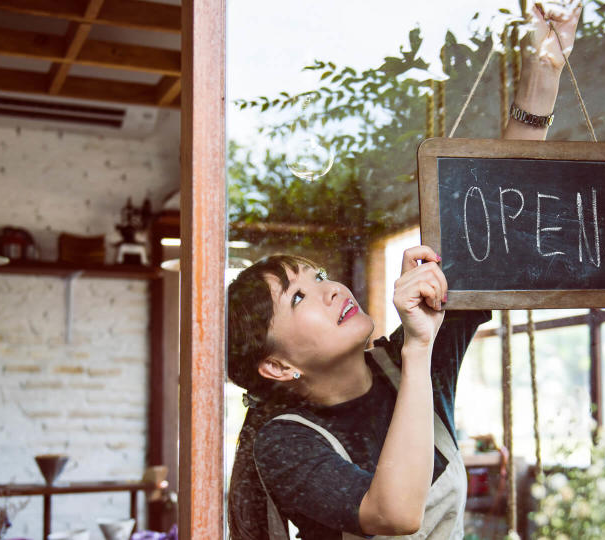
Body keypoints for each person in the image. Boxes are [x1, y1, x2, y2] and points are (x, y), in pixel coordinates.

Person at [227, 3, 582, 538]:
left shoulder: (414, 355)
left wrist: (545, 68)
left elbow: (493, 210)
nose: (328, 291)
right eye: (297, 297)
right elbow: (392, 514)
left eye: (319, 278)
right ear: (277, 367)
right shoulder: (284, 440)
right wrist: (417, 351)